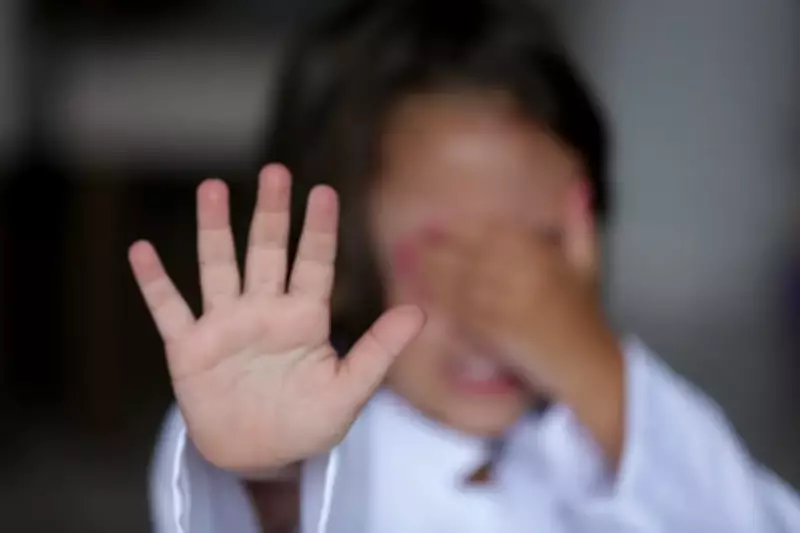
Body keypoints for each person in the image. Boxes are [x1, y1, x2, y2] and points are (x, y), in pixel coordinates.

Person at [129, 0, 800, 531]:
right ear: (338, 260)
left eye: (537, 246)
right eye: (442, 255)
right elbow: (269, 504)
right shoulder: (329, 446)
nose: (498, 304)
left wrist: (595, 369)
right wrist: (264, 470)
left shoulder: (599, 437)